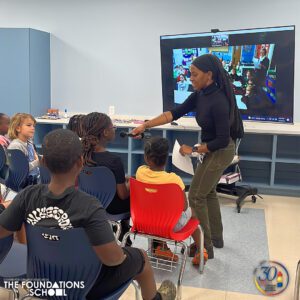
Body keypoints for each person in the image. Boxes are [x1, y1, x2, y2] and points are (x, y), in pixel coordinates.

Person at [0, 129, 176, 300]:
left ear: (44, 162)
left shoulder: (27, 196)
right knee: (141, 257)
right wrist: (123, 254)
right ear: (80, 162)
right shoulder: (89, 206)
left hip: (41, 283)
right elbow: (113, 260)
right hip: (84, 287)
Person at [131, 54, 244, 259]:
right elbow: (173, 113)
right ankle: (216, 239)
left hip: (221, 150)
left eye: (194, 74)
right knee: (207, 193)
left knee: (196, 196)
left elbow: (221, 140)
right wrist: (145, 125)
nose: (190, 78)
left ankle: (205, 247)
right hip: (211, 148)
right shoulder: (199, 94)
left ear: (208, 75)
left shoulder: (218, 100)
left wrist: (192, 150)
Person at [136, 136, 208, 265]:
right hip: (170, 225)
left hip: (144, 222)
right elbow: (184, 207)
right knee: (192, 214)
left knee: (156, 210)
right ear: (166, 158)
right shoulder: (174, 180)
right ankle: (201, 250)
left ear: (146, 158)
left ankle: (160, 247)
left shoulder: (140, 172)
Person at [81, 112, 131, 244]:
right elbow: (123, 195)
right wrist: (131, 184)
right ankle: (125, 230)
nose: (115, 129)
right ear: (105, 132)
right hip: (111, 208)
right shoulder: (114, 161)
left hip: (87, 204)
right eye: (113, 127)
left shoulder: (80, 156)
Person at [7, 113, 40, 185]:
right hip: (24, 183)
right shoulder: (15, 146)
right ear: (18, 128)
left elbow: (35, 157)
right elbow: (21, 169)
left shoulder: (29, 142)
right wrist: (38, 162)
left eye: (33, 126)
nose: (33, 128)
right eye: (29, 125)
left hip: (33, 178)